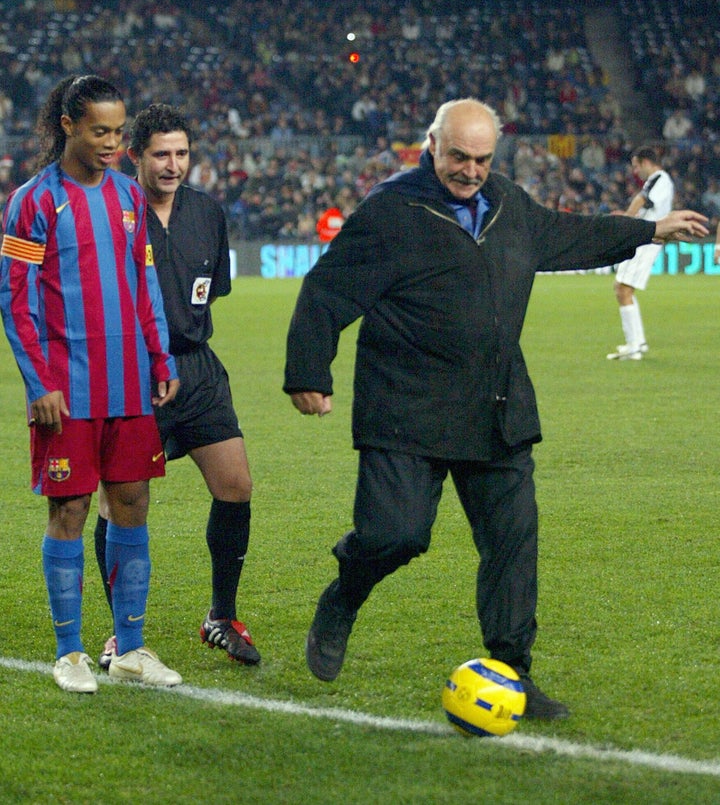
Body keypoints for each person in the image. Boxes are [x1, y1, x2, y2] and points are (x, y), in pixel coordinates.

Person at [283, 98, 708, 719]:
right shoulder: (392, 210)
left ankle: (513, 673)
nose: (471, 170)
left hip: (496, 404)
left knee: (513, 542)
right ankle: (344, 594)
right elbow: (326, 290)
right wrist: (308, 372)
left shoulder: (508, 202)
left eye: (483, 158)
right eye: (459, 156)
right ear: (432, 144)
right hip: (408, 406)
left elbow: (567, 235)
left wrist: (646, 230)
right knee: (394, 535)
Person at [0, 75, 182, 693]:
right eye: (100, 130)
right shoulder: (32, 200)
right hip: (66, 392)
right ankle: (70, 651)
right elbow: (14, 298)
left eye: (118, 131)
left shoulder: (129, 197)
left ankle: (129, 648)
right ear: (68, 126)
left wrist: (162, 359)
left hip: (129, 384)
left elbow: (145, 286)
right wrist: (39, 381)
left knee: (132, 506)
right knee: (70, 509)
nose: (112, 142)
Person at [93, 104, 260, 667]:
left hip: (198, 370)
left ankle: (220, 616)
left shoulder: (207, 212)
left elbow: (212, 292)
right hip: (133, 375)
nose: (173, 165)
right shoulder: (110, 211)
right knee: (123, 503)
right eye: (161, 154)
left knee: (236, 485)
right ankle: (122, 632)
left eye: (182, 153)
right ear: (134, 156)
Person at [606, 146, 674, 361]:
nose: (635, 171)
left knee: (623, 289)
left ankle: (634, 346)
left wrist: (626, 220)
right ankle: (637, 342)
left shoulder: (659, 179)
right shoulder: (658, 181)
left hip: (646, 240)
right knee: (623, 288)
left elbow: (642, 200)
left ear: (646, 162)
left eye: (636, 166)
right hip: (645, 238)